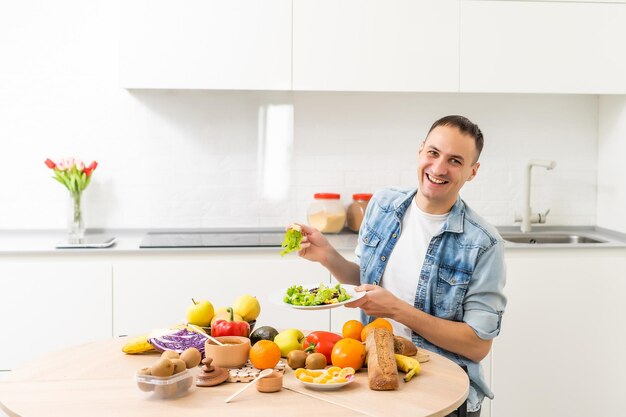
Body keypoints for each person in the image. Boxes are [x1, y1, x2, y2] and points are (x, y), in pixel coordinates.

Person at [296, 115, 507, 417]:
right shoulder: (383, 204)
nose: (438, 168)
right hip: (373, 375)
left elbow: (477, 345)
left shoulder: (483, 243)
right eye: (433, 153)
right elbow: (367, 284)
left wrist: (397, 310)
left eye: (455, 161)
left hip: (442, 391)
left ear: (472, 172)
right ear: (421, 151)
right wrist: (327, 255)